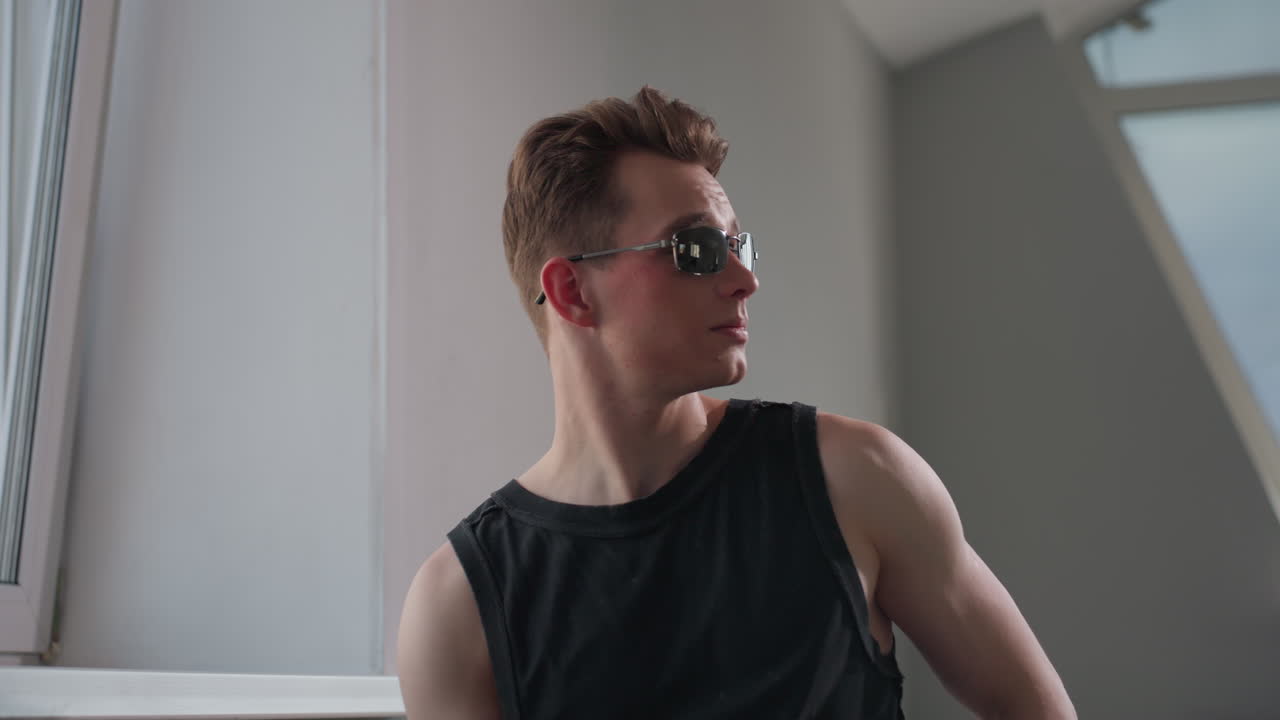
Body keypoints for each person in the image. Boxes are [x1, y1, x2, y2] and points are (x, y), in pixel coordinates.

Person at [396, 86, 1076, 719]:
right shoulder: (459, 605)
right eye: (696, 248)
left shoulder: (855, 481)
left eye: (737, 245)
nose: (745, 278)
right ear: (573, 292)